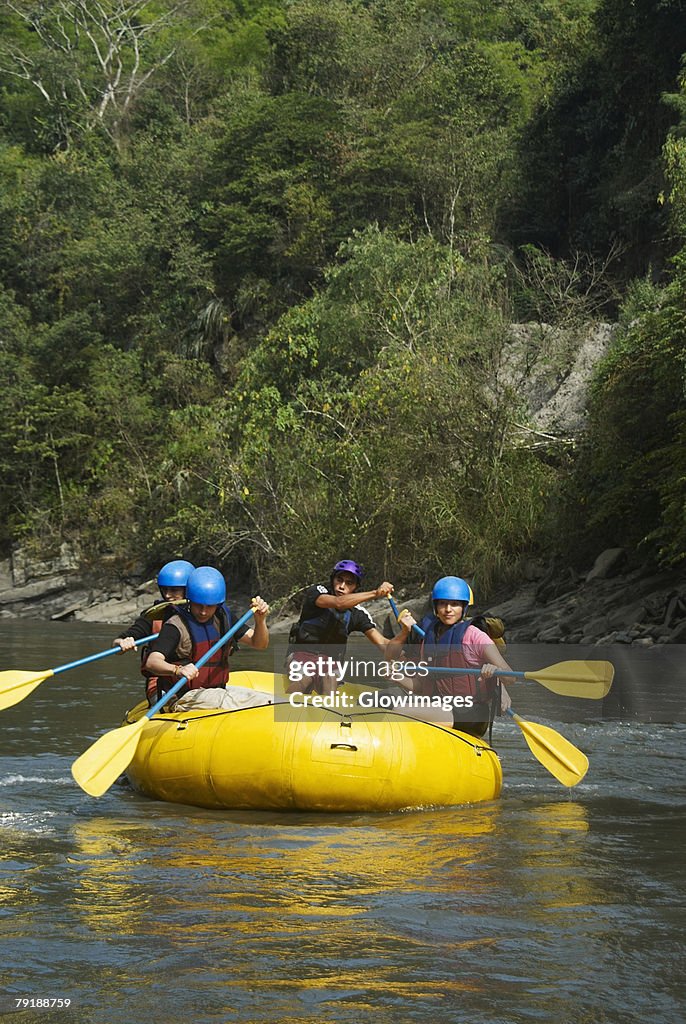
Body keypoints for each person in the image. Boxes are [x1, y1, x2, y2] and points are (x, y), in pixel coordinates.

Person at [387, 575, 512, 738]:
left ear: (464, 608)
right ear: (435, 607)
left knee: (400, 710)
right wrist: (396, 677)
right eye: (443, 604)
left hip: (471, 713)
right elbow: (421, 687)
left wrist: (496, 671)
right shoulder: (430, 639)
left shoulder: (475, 636)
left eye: (455, 604)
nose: (448, 609)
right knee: (387, 701)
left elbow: (510, 677)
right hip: (442, 707)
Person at [142, 565, 272, 712]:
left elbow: (260, 644)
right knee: (259, 702)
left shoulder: (224, 618)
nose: (203, 612)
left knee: (267, 699)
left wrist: (260, 621)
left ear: (218, 604)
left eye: (209, 606)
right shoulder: (175, 625)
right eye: (198, 605)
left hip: (217, 691)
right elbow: (152, 662)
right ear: (189, 600)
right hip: (184, 697)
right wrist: (177, 670)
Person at [286, 559, 395, 695]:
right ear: (333, 579)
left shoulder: (358, 613)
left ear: (355, 587)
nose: (342, 586)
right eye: (339, 579)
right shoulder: (317, 592)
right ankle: (287, 707)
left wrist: (405, 636)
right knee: (306, 678)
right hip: (301, 655)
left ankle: (328, 712)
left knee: (330, 677)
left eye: (349, 583)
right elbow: (338, 603)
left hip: (330, 662)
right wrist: (375, 593)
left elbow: (384, 644)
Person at [113, 559, 196, 653]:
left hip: (194, 666)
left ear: (189, 590)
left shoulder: (206, 612)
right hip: (162, 665)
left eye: (174, 590)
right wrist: (122, 642)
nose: (167, 595)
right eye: (164, 590)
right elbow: (120, 641)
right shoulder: (155, 614)